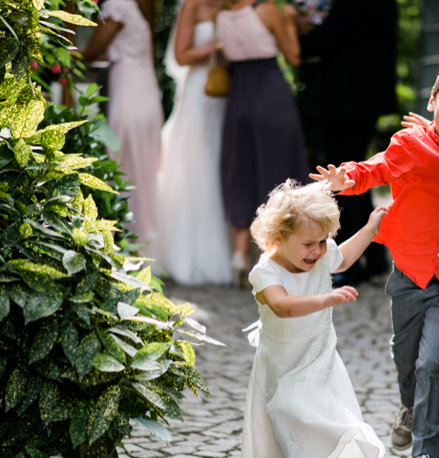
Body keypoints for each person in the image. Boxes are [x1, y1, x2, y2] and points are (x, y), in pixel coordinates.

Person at [311, 60, 439, 458]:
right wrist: (345, 178)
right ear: (432, 101)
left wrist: (438, 132)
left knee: (436, 361)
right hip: (410, 275)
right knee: (406, 356)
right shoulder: (409, 146)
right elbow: (375, 169)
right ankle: (409, 407)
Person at [242, 180, 386, 458]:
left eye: (322, 242)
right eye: (308, 244)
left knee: (290, 407)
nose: (318, 252)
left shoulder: (320, 258)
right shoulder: (266, 272)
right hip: (279, 361)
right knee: (286, 420)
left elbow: (347, 255)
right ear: (278, 237)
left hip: (316, 357)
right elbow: (283, 306)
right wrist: (325, 299)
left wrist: (369, 228)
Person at [298, 0, 398, 287]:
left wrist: (293, 38)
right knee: (351, 176)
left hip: (349, 98)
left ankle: (350, 264)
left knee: (342, 178)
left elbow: (331, 34)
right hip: (363, 96)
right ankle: (375, 257)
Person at [217, 0, 310, 287]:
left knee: (240, 171)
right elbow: (293, 56)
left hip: (238, 95)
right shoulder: (269, 10)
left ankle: (239, 254)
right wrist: (291, 23)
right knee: (278, 171)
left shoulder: (221, 15)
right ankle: (277, 257)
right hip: (270, 92)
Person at [77, 0, 163, 257]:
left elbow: (91, 52)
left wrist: (51, 54)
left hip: (129, 94)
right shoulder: (138, 6)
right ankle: (141, 243)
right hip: (146, 92)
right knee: (141, 171)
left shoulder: (118, 5)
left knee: (123, 166)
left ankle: (128, 246)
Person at [156, 0, 233, 285]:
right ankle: (186, 254)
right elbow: (180, 56)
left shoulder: (229, 5)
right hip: (198, 95)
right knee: (196, 166)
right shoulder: (192, 6)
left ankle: (231, 250)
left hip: (226, 93)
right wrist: (215, 48)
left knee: (219, 166)